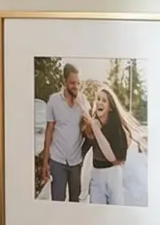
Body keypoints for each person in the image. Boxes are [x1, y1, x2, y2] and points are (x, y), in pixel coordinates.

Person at [83, 81, 145, 205]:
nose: (99, 102)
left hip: (113, 176)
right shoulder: (92, 125)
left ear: (110, 107)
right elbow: (82, 149)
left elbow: (112, 158)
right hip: (96, 176)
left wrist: (97, 130)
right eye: (98, 99)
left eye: (104, 100)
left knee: (116, 212)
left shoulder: (117, 129)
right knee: (97, 213)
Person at [40, 64, 87, 202]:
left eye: (78, 83)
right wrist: (45, 162)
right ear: (64, 82)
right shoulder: (53, 100)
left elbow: (89, 129)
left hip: (76, 161)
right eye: (72, 83)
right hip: (58, 160)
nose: (76, 86)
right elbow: (49, 130)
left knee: (75, 202)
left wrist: (83, 108)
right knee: (58, 201)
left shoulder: (83, 100)